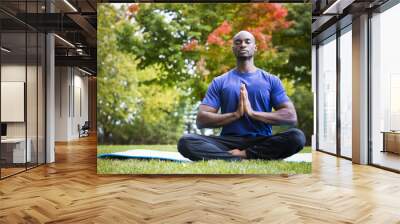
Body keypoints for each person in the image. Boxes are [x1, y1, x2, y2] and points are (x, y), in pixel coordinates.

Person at [177, 31, 306, 161]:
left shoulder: (271, 80)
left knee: (297, 137)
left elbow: (290, 116)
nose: (243, 45)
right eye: (238, 42)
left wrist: (252, 113)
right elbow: (201, 120)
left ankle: (242, 155)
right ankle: (241, 156)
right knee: (186, 141)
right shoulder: (219, 81)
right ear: (233, 49)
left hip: (261, 140)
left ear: (255, 48)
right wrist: (236, 114)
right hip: (228, 141)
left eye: (247, 42)